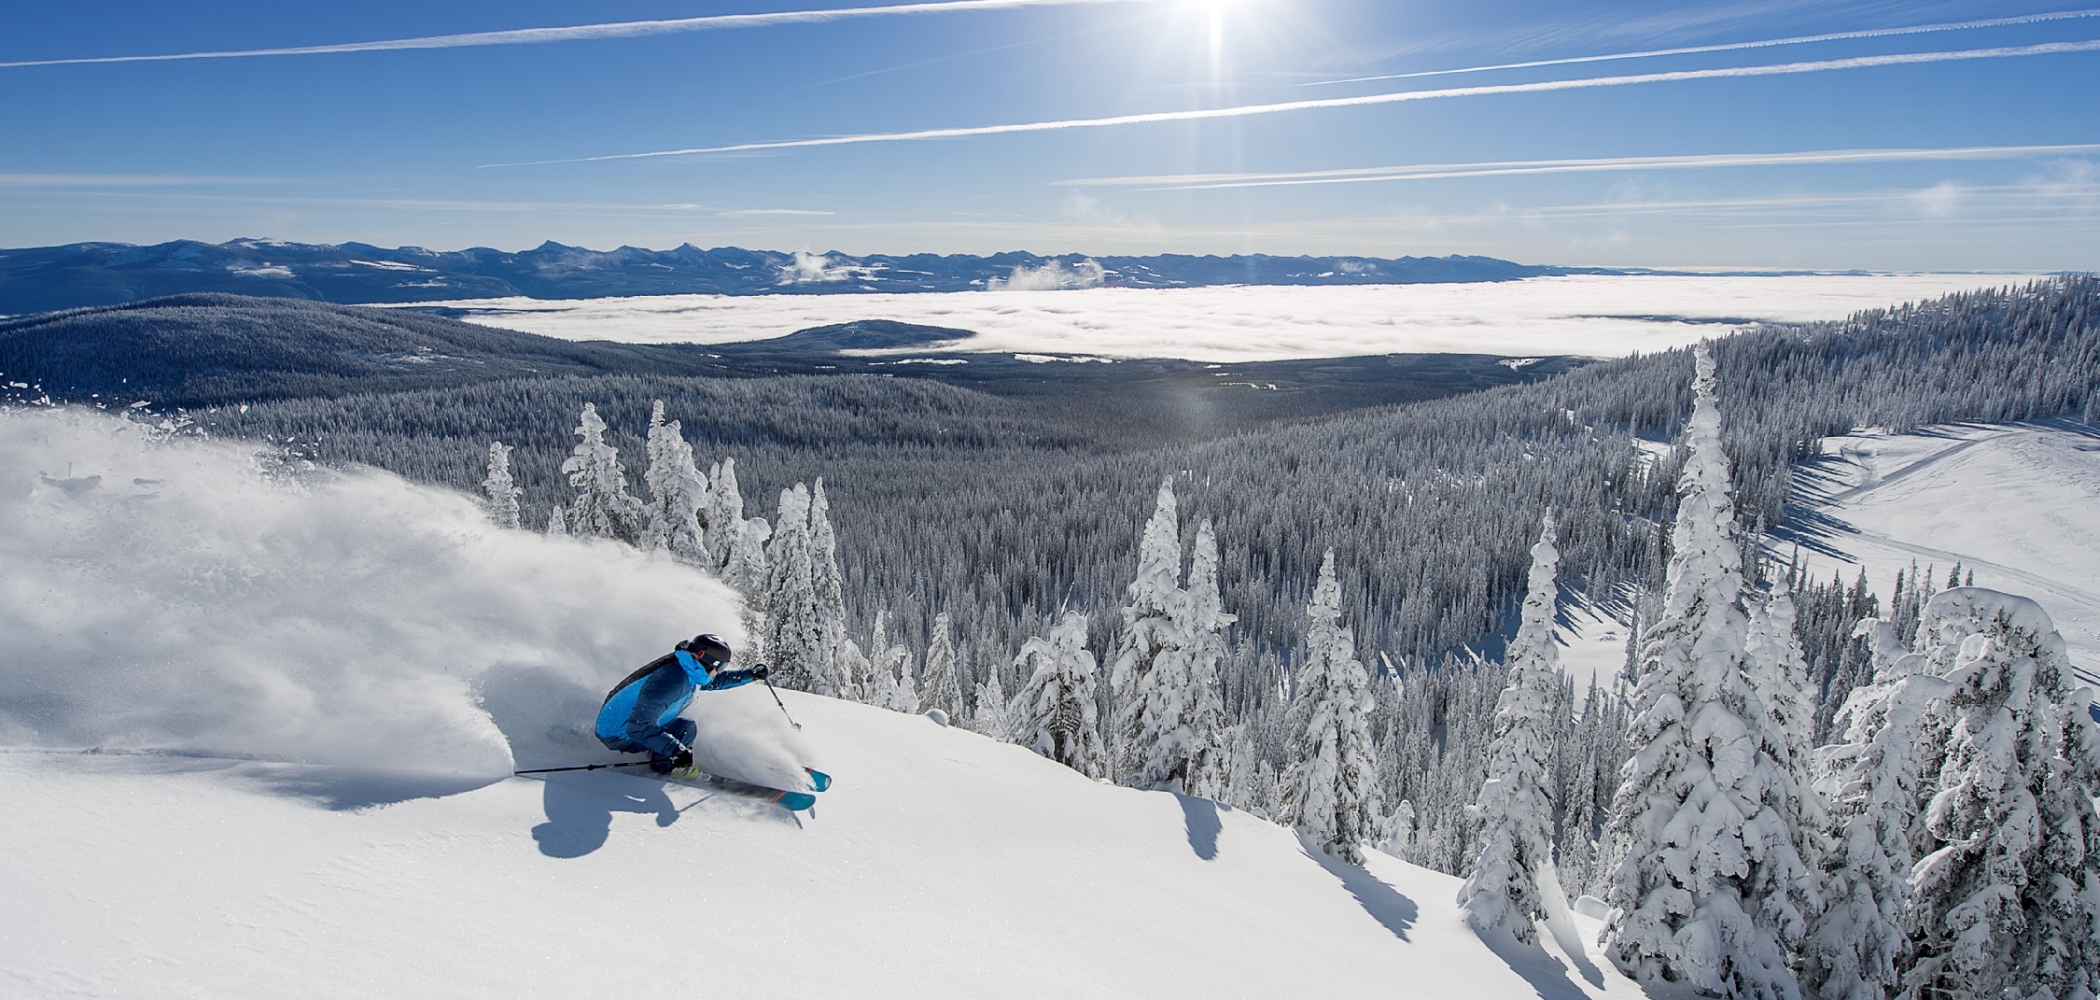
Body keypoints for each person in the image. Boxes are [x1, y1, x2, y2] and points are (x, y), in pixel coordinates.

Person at [595, 633, 768, 773]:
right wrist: (676, 751)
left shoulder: (686, 667)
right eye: (720, 666)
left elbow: (711, 681)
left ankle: (662, 753)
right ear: (705, 659)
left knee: (686, 728)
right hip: (619, 735)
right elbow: (638, 727)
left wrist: (750, 675)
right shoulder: (671, 681)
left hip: (622, 725)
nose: (718, 671)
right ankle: (664, 766)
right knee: (685, 730)